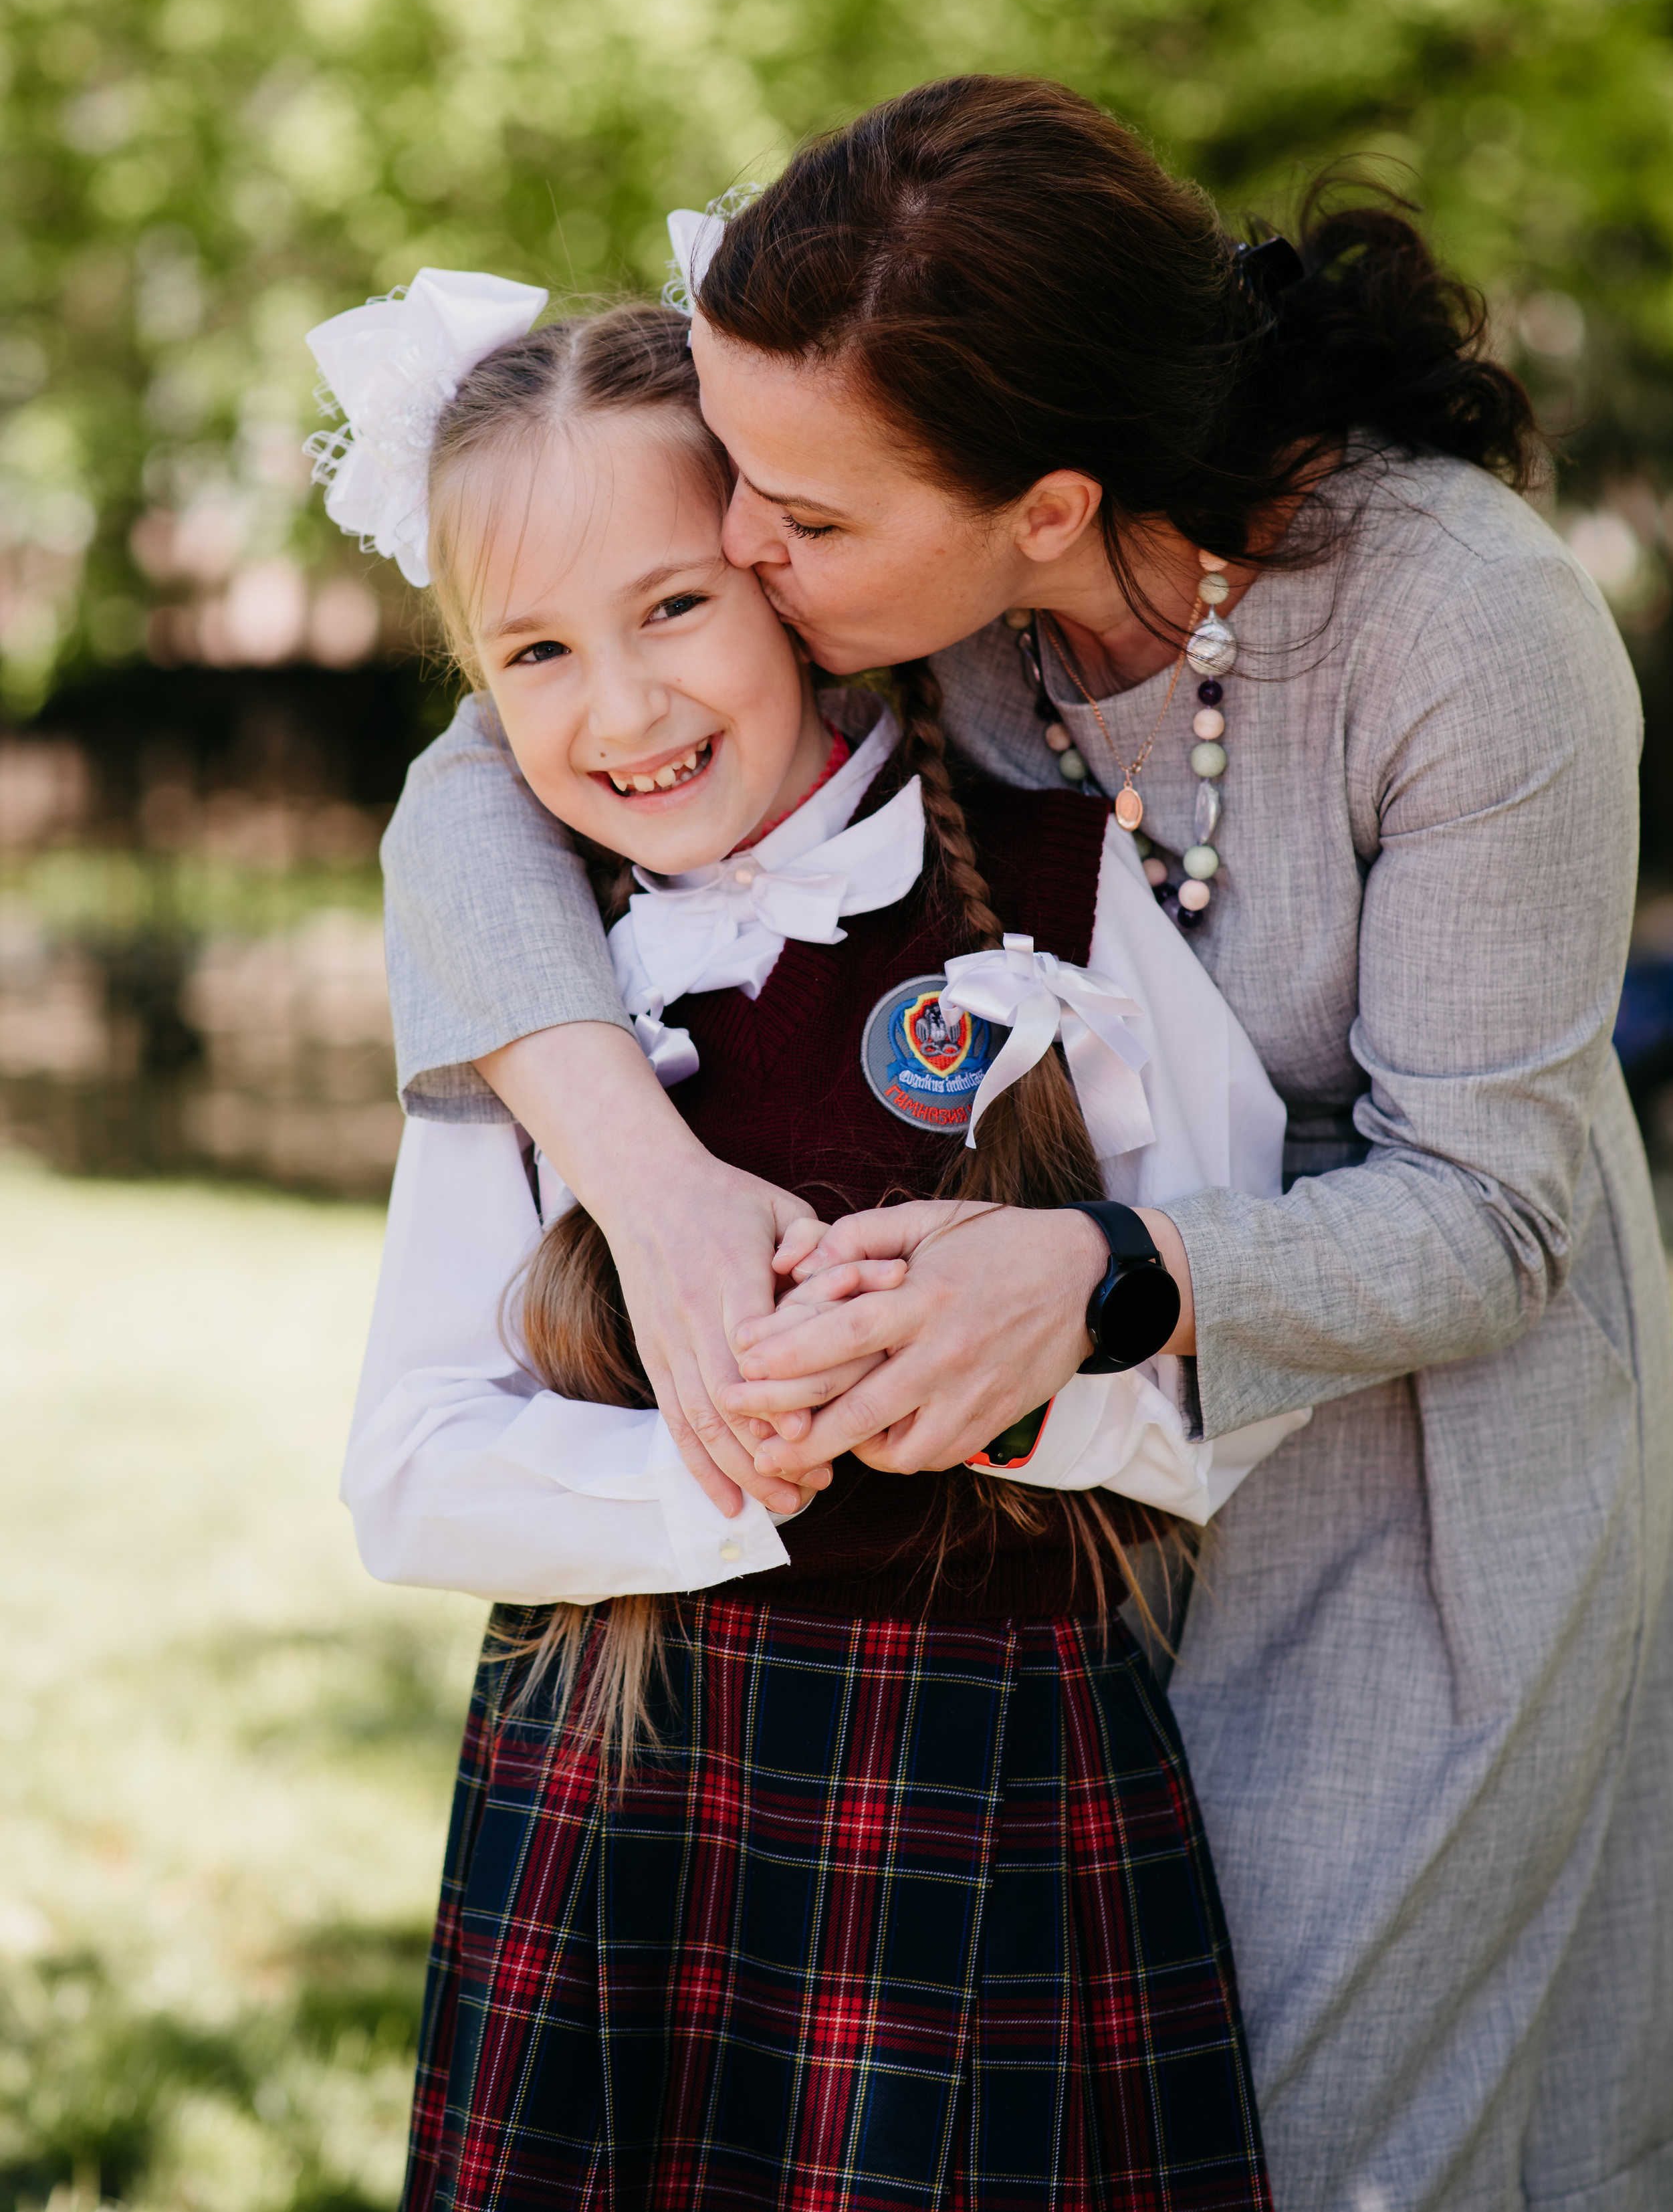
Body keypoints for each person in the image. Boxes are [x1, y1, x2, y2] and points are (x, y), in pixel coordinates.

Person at [364, 78, 1673, 2211]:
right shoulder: (889, 521)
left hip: (1405, 1478)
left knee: (1335, 2132)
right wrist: (660, 1184)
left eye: (788, 520)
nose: (741, 546)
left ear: (1046, 510)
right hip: (1024, 1560)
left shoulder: (1469, 629)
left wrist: (1093, 1280)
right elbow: (474, 786)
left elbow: (1500, 1206)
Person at [320, 279, 1303, 2206]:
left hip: (993, 1787)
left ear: (787, 576)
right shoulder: (542, 998)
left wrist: (1025, 1396)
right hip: (621, 1791)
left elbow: (1252, 1366)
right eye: (535, 650)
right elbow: (407, 1474)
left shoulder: (1059, 898)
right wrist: (720, 1462)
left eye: (673, 606)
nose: (621, 707)